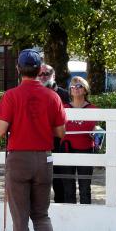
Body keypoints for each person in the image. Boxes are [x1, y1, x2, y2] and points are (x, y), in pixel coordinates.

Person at [0, 49, 66, 231]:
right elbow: (60, 132)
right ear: (40, 71)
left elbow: (1, 130)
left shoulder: (11, 95)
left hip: (19, 159)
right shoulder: (52, 97)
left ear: (18, 69)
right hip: (44, 158)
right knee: (41, 215)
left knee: (20, 218)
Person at [61, 76, 98, 204]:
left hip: (86, 150)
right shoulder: (63, 108)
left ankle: (86, 218)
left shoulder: (93, 109)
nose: (76, 89)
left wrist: (97, 133)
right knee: (68, 188)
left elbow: (95, 129)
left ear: (85, 90)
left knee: (85, 187)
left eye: (79, 86)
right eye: (73, 86)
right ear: (70, 90)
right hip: (66, 150)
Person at [39, 63, 70, 203]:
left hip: (60, 143)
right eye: (39, 74)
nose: (42, 77)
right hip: (40, 143)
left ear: (54, 75)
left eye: (46, 73)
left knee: (60, 180)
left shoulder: (66, 95)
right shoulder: (34, 94)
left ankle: (62, 210)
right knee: (40, 181)